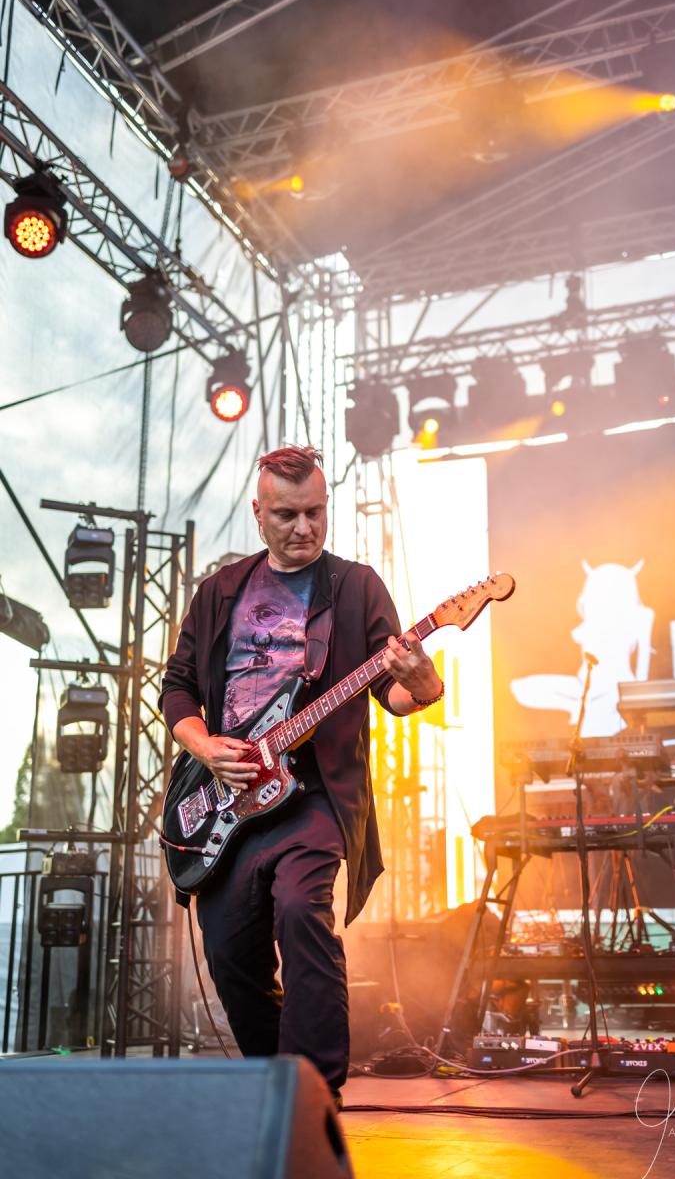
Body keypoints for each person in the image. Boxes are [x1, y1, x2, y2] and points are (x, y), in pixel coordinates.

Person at [159, 445, 443, 1105]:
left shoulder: (355, 587)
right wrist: (205, 747)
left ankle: (316, 1091)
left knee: (301, 911)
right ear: (258, 513)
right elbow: (177, 687)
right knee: (229, 952)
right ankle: (276, 1085)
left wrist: (424, 682)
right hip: (227, 795)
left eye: (315, 512)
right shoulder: (220, 592)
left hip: (313, 794)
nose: (304, 528)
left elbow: (394, 692)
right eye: (286, 515)